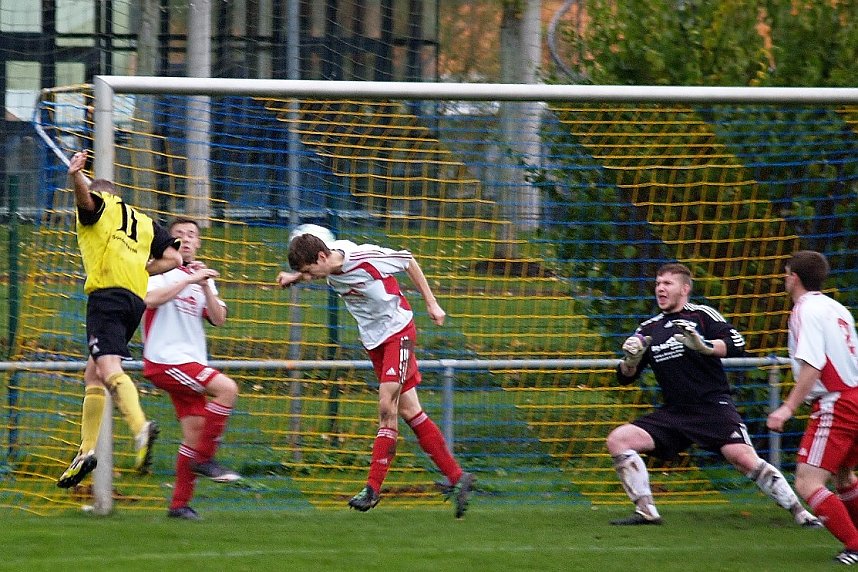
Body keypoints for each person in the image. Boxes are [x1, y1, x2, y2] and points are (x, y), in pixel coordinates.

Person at [276, 232, 475, 518]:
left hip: (398, 333)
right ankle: (457, 477)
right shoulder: (328, 262)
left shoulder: (364, 259)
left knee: (386, 407)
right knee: (410, 411)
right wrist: (294, 277)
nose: (310, 276)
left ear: (321, 257)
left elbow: (407, 259)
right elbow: (313, 272)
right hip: (375, 341)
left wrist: (432, 303)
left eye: (309, 270)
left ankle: (372, 489)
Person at [607, 262, 820, 527]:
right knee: (619, 440)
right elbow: (625, 377)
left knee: (745, 460)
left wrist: (704, 345)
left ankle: (801, 514)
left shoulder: (701, 315)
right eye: (658, 284)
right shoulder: (649, 328)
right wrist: (630, 359)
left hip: (712, 407)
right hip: (675, 412)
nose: (660, 288)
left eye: (667, 283)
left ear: (685, 289)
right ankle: (647, 511)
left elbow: (737, 344)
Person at [57, 150, 182, 488]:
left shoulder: (103, 207)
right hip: (134, 302)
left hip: (107, 296)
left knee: (109, 368)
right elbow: (174, 258)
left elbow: (86, 203)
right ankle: (85, 452)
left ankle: (141, 427)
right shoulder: (143, 221)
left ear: (102, 194)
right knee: (93, 373)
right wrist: (142, 268)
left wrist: (75, 176)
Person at [142, 218, 241, 520]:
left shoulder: (200, 276)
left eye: (191, 235)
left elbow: (219, 318)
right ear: (168, 243)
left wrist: (204, 285)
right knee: (227, 389)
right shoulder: (157, 270)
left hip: (190, 362)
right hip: (165, 359)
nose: (186, 239)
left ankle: (179, 505)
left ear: (198, 242)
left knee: (195, 432)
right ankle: (205, 460)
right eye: (179, 235)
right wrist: (187, 280)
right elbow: (149, 300)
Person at [767, 250, 858, 565]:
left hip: (836, 402)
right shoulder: (837, 308)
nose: (784, 279)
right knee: (843, 475)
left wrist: (787, 408)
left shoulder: (804, 310)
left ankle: (854, 546)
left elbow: (814, 364)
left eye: (786, 273)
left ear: (794, 278)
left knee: (807, 481)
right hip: (854, 395)